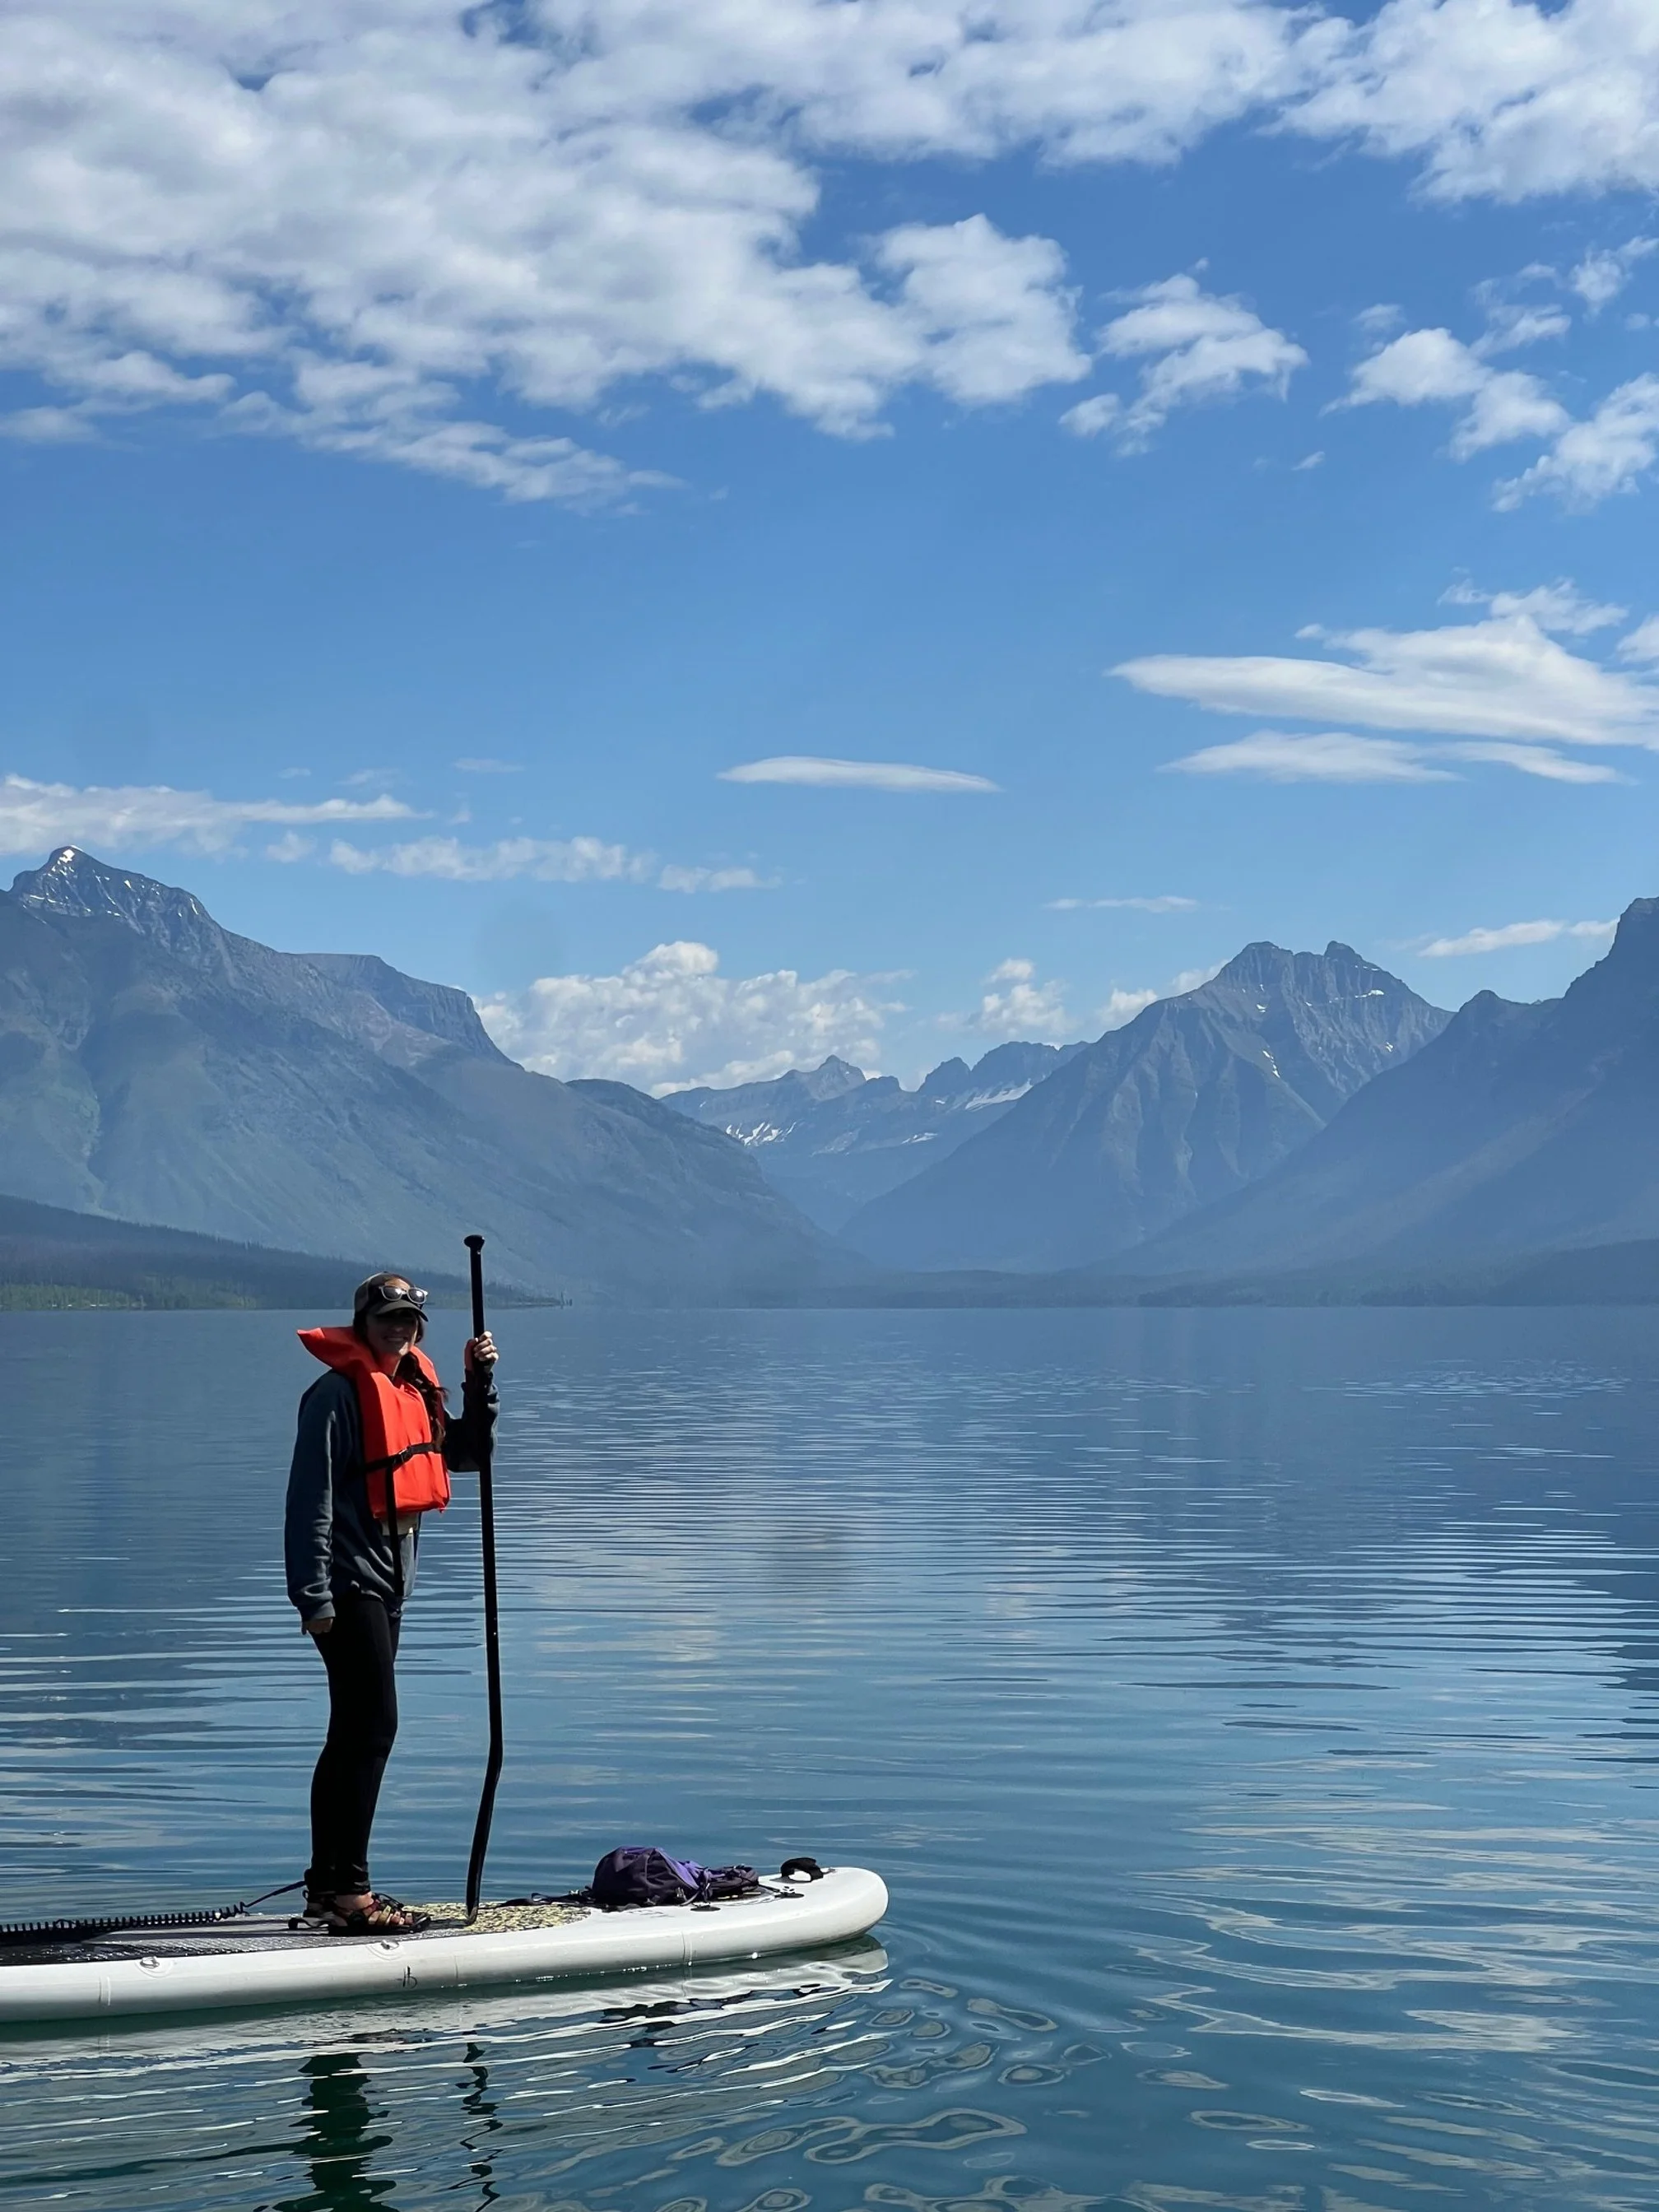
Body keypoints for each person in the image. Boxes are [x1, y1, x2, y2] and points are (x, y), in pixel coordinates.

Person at [284, 1271, 498, 1935]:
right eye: (386, 1318)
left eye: (408, 1319)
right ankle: (350, 1896)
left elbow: (465, 1455)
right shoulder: (334, 1396)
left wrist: (477, 1384)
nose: (399, 1328)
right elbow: (308, 1501)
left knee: (352, 1731)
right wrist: (312, 1595)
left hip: (389, 1583)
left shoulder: (414, 1389)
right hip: (347, 1585)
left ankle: (327, 1887)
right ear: (361, 1323)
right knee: (374, 1727)